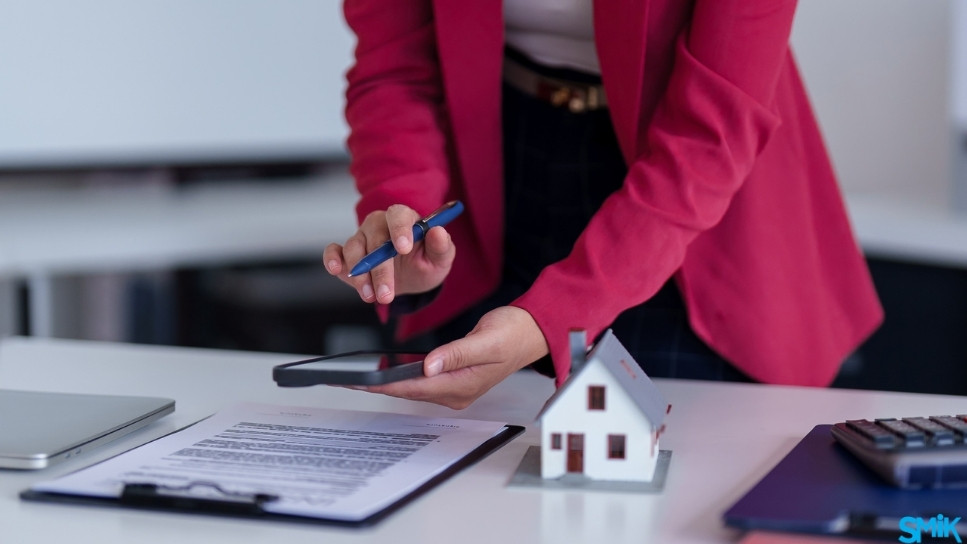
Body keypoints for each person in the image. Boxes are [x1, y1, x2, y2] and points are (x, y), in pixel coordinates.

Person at [324, 0, 883, 409]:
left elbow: (710, 134)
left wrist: (552, 319)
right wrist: (404, 209)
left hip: (692, 211)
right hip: (493, 163)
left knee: (674, 476)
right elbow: (395, 66)